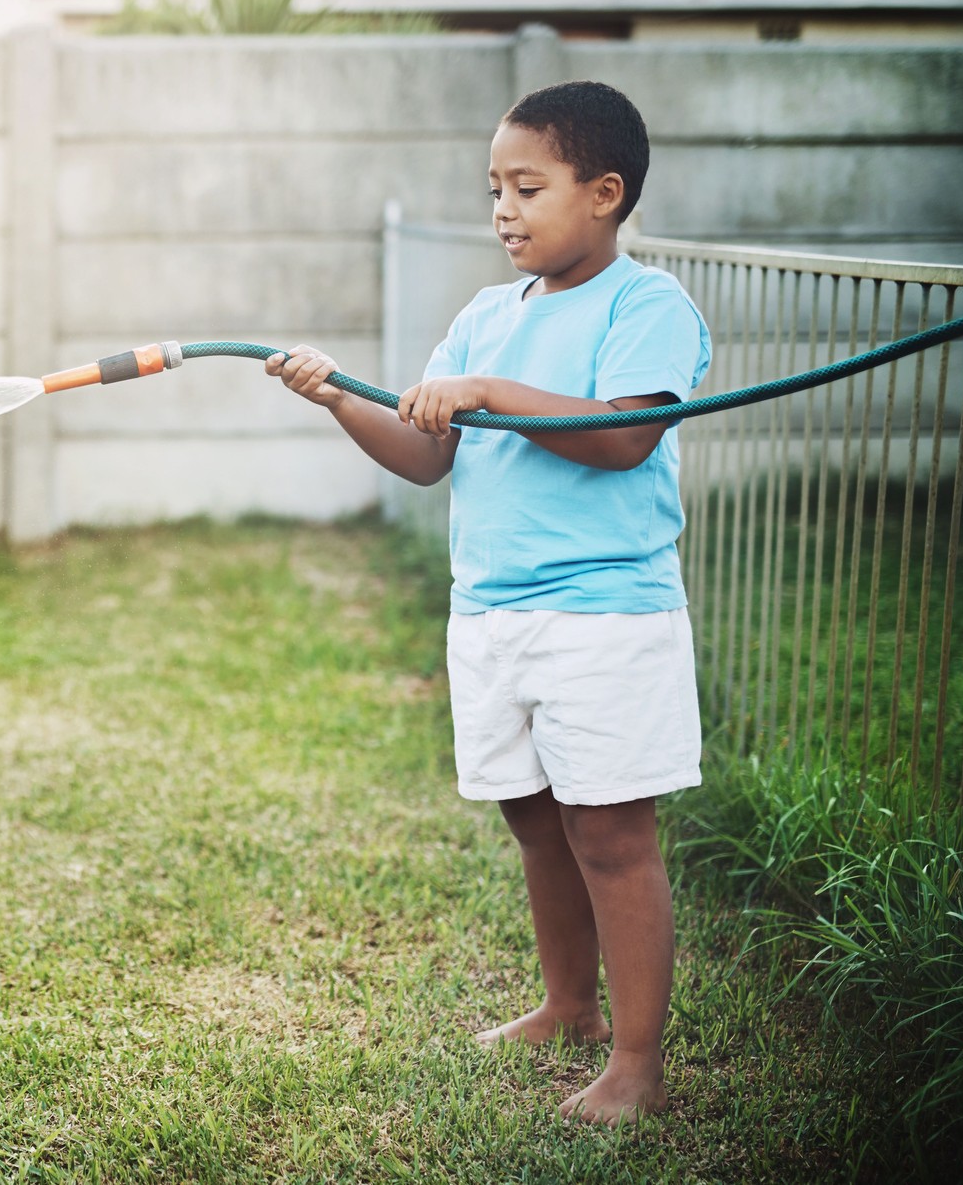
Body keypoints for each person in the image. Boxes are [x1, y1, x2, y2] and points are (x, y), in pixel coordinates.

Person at [269, 80, 710, 1127]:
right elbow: (426, 456)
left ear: (604, 193)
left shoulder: (648, 306)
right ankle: (570, 1007)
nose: (503, 209)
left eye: (528, 186)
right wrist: (341, 395)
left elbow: (622, 436)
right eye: (494, 189)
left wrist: (489, 392)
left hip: (602, 614)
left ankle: (638, 1061)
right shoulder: (481, 315)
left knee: (610, 831)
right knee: (534, 818)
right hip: (493, 612)